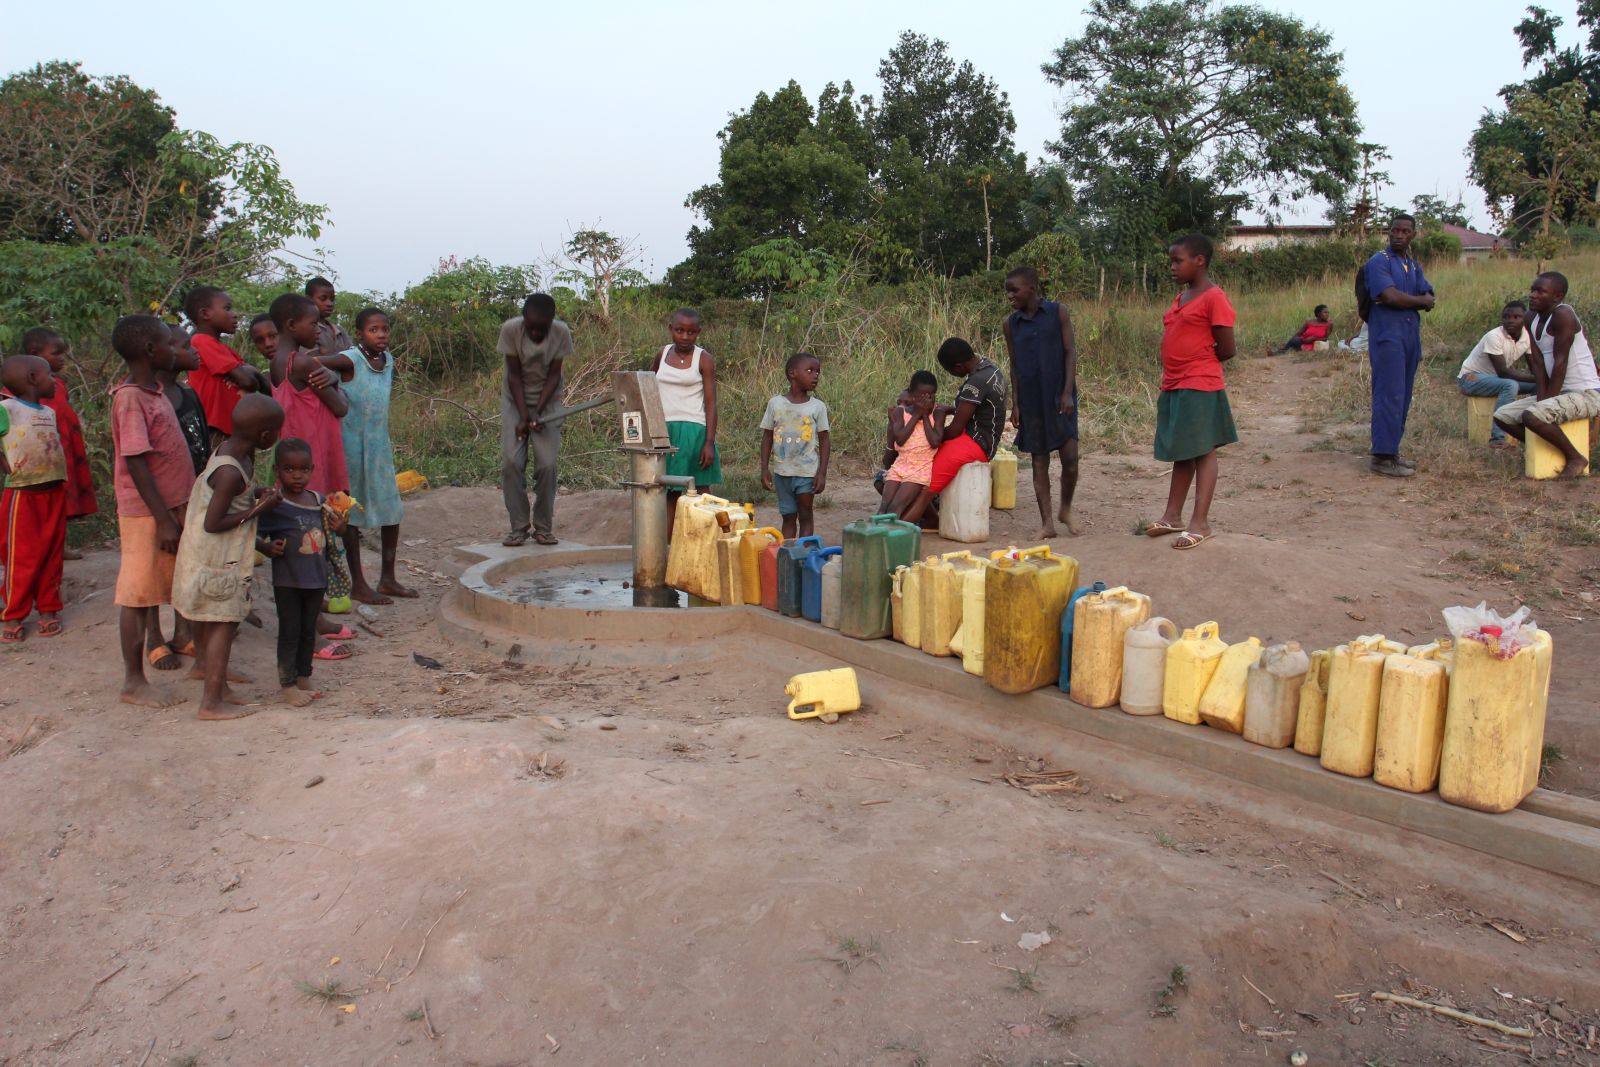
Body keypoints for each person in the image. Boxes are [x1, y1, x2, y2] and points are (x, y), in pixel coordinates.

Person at [172, 394, 284, 720]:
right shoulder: (230, 471)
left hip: (215, 556)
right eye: (276, 432)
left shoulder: (233, 453)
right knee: (223, 621)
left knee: (220, 618)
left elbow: (234, 502)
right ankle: (210, 702)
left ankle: (214, 680)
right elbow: (214, 521)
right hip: (215, 559)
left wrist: (256, 496)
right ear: (265, 436)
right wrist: (259, 508)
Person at [109, 315, 197, 709]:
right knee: (139, 594)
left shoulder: (155, 392)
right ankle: (133, 682)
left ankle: (184, 640)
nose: (175, 350)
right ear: (150, 350)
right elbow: (136, 463)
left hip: (172, 506)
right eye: (169, 343)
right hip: (146, 513)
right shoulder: (130, 398)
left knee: (171, 581)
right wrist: (162, 518)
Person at [1144, 234, 1238, 551]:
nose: (1172, 267)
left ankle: (1201, 522)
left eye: (1177, 261)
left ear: (1200, 260)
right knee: (1184, 449)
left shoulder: (1214, 298)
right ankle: (1173, 516)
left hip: (1200, 382)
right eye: (1171, 260)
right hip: (1175, 383)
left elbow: (1227, 348)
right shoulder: (1182, 298)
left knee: (1203, 450)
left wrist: (1197, 362)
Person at [140, 325, 210, 670]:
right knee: (153, 572)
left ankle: (183, 633)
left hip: (190, 493)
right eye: (185, 345)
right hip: (158, 501)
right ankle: (154, 637)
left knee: (187, 566)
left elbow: (202, 446)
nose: (194, 351)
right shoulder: (147, 398)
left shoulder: (188, 394)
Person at [257, 438, 346, 706]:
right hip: (288, 581)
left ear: (312, 469)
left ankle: (304, 676)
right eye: (289, 469)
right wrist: (268, 547)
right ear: (277, 471)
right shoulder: (275, 504)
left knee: (309, 631)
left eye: (304, 469)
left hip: (316, 580)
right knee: (290, 631)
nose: (297, 475)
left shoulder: (319, 500)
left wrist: (339, 524)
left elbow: (337, 533)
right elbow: (251, 534)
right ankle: (288, 684)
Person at [339, 307, 415, 603]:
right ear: (360, 333)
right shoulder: (349, 359)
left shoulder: (388, 360)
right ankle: (358, 582)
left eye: (385, 329)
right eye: (374, 330)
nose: (381, 335)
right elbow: (311, 365)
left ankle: (388, 578)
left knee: (392, 510)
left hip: (378, 446)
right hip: (351, 446)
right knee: (351, 513)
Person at [1494, 272, 1600, 479]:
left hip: (1586, 392)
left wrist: (1544, 403)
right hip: (1562, 392)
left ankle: (1576, 458)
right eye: (1532, 289)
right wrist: (1542, 401)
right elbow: (1539, 365)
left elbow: (1560, 363)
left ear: (1557, 297)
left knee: (1532, 414)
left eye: (1540, 291)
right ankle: (1547, 447)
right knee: (1502, 416)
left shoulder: (1563, 315)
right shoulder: (1531, 318)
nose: (1532, 295)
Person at [1002, 266, 1080, 538]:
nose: (1010, 295)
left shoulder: (1059, 312)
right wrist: (1016, 403)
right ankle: (1047, 523)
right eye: (1007, 291)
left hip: (1060, 395)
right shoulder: (1010, 324)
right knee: (1039, 461)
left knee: (1070, 457)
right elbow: (1013, 364)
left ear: (1032, 288)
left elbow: (1070, 352)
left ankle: (1065, 509)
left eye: (1014, 290)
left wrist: (1068, 392)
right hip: (1032, 399)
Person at [899, 338, 1007, 527]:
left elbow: (955, 430)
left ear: (958, 366)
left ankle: (897, 530)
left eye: (950, 371)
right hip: (986, 438)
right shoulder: (989, 369)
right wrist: (942, 410)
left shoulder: (975, 383)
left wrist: (934, 434)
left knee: (926, 482)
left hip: (975, 442)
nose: (951, 373)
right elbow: (970, 408)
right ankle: (923, 514)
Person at [1, 355, 67, 642]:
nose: (53, 381)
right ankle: (14, 613)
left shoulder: (48, 412)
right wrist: (7, 466)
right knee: (21, 556)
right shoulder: (7, 409)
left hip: (53, 492)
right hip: (22, 494)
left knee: (52, 553)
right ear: (32, 378)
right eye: (49, 375)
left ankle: (48, 609)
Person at [1364, 215, 1435, 477]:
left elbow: (1430, 295)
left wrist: (1413, 300)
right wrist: (1419, 301)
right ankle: (1381, 457)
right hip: (1388, 337)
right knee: (1388, 394)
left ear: (1413, 235)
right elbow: (1389, 296)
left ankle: (1392, 452)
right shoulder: (1379, 262)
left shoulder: (1412, 266)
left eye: (1405, 231)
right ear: (1388, 232)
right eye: (1395, 230)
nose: (1399, 235)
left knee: (1403, 395)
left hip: (1409, 336)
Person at [498, 293, 571, 547]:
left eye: (543, 328)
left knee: (547, 465)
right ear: (523, 321)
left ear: (552, 322)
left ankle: (543, 528)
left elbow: (554, 375)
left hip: (548, 404)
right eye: (532, 328)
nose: (537, 334)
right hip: (514, 402)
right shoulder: (510, 330)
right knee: (511, 463)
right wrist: (524, 415)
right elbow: (514, 375)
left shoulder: (561, 333)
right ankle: (518, 527)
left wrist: (538, 411)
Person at [20, 328, 96, 539]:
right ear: (34, 352)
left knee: (62, 500)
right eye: (56, 353)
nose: (62, 359)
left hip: (64, 454)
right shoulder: (19, 391)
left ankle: (61, 545)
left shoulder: (56, 385)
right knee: (42, 505)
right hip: (38, 461)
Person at [270, 294, 350, 496]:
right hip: (315, 448)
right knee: (324, 507)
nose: (318, 331)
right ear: (291, 325)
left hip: (293, 446)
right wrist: (335, 379)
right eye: (313, 324)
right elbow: (341, 408)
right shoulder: (302, 363)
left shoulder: (277, 362)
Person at [651, 307, 721, 538]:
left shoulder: (704, 359)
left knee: (700, 492)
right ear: (671, 329)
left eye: (691, 332)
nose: (684, 337)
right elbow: (648, 388)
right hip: (665, 431)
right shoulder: (662, 354)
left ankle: (706, 543)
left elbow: (711, 403)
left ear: (698, 332)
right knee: (670, 492)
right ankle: (669, 550)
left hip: (695, 431)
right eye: (679, 330)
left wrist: (709, 442)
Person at [186, 286, 272, 449]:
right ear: (205, 314)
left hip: (234, 431)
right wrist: (252, 373)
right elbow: (247, 381)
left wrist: (252, 374)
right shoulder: (201, 341)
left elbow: (253, 379)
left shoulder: (225, 350)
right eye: (227, 308)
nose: (235, 314)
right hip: (217, 431)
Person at [759, 352, 830, 539]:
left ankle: (804, 556)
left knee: (805, 515)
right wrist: (764, 468)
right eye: (810, 370)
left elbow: (824, 440)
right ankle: (789, 557)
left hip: (806, 472)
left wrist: (821, 473)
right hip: (782, 472)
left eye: (818, 372)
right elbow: (767, 436)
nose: (815, 375)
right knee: (788, 516)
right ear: (793, 373)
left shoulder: (817, 407)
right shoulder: (775, 404)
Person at [1457, 300, 1536, 449]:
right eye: (1506, 317)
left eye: (1516, 317)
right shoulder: (1494, 336)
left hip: (1495, 379)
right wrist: (1537, 377)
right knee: (1510, 385)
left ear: (1524, 318)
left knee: (1538, 386)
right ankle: (1498, 439)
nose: (1510, 321)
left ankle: (1528, 431)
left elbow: (1534, 367)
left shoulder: (1527, 337)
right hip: (1471, 378)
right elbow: (1503, 372)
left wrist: (1540, 379)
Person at [879, 371, 942, 518]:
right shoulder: (900, 413)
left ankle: (891, 540)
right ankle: (876, 538)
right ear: (912, 394)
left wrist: (924, 415)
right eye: (922, 396)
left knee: (895, 508)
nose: (926, 400)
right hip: (900, 466)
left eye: (930, 396)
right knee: (884, 508)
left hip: (920, 470)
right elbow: (900, 439)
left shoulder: (937, 414)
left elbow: (934, 442)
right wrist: (916, 414)